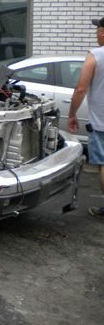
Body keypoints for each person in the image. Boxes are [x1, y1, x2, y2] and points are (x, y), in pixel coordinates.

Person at [68, 16, 104, 218]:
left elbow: (81, 88)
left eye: (97, 29)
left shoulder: (95, 56)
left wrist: (72, 114)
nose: (96, 33)